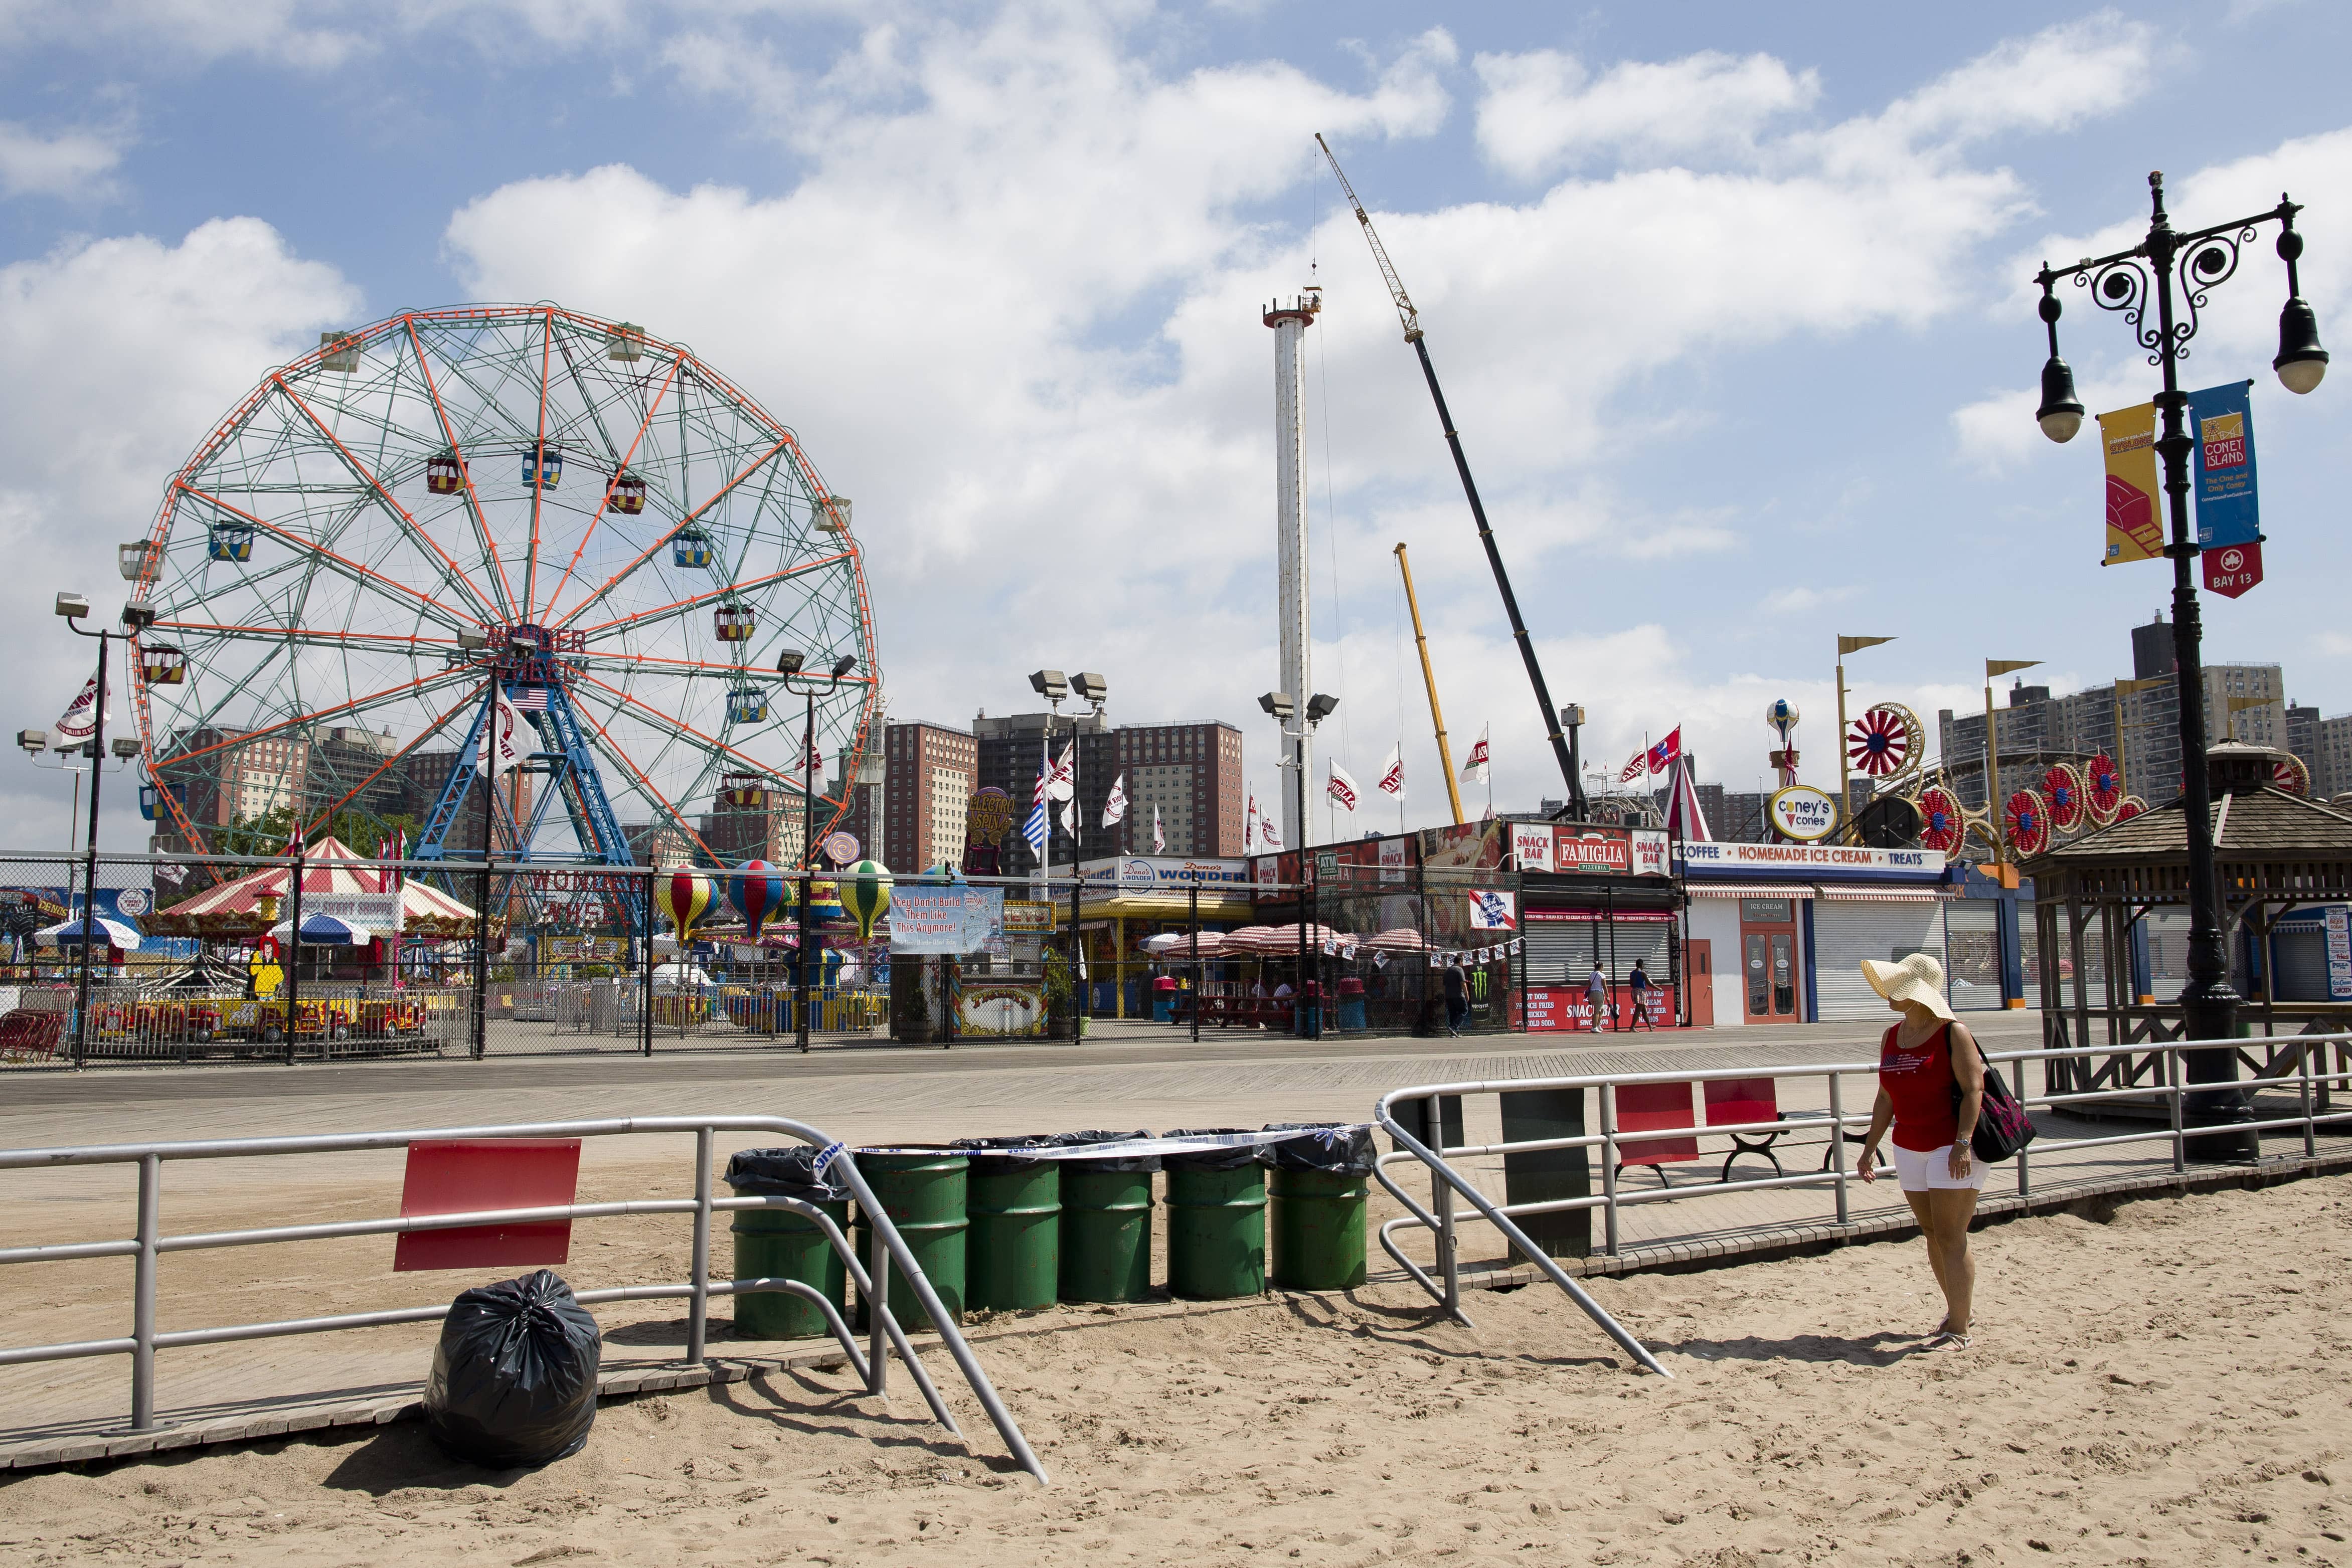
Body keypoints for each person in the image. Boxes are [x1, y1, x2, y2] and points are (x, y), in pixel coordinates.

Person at [1854, 952, 1986, 1350]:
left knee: (1952, 1235)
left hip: (1952, 1145)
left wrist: (1963, 1141)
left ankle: (1959, 1327)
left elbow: (1973, 1090)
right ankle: (1958, 1310)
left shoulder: (1953, 1032)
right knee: (1931, 1232)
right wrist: (1869, 1147)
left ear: (1919, 993)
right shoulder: (1891, 1035)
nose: (1891, 993)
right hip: (1908, 1145)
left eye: (1900, 987)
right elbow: (1885, 1098)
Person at [1627, 959, 1654, 1030]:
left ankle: (1650, 1026)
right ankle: (1632, 1027)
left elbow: (1631, 984)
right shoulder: (1643, 973)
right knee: (1638, 1010)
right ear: (1642, 965)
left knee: (1644, 1010)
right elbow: (1649, 983)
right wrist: (1659, 988)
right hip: (1641, 992)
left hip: (1635, 991)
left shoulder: (1632, 973)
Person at [1442, 962, 1468, 1036]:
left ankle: (1454, 1032)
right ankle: (1453, 1027)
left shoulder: (1447, 971)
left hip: (1449, 996)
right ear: (1460, 962)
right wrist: (1467, 994)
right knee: (1464, 1011)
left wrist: (1445, 995)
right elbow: (1463, 983)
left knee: (1453, 1013)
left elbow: (1444, 985)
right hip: (1459, 995)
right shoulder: (1459, 970)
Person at [1585, 963, 1611, 1031]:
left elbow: (1589, 985)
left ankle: (1598, 1025)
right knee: (1597, 1012)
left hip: (1592, 994)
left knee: (1601, 1009)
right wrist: (1608, 996)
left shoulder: (1591, 974)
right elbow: (1605, 986)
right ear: (1601, 967)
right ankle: (1594, 1028)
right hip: (1599, 994)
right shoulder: (1602, 975)